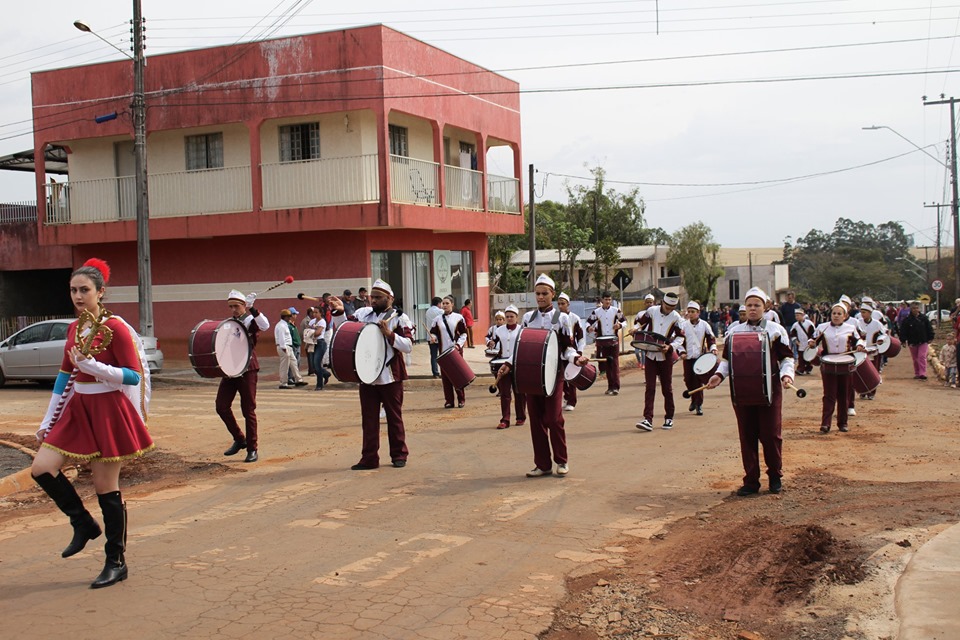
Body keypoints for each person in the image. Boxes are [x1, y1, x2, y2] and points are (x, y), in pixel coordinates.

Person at [31, 258, 154, 589]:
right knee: (42, 467)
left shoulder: (115, 328)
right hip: (77, 407)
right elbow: (63, 375)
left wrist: (95, 366)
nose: (77, 296)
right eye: (73, 290)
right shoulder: (74, 328)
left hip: (107, 410)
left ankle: (116, 560)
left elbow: (133, 375)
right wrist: (48, 419)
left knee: (105, 487)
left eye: (84, 290)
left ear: (101, 292)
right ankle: (83, 523)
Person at [705, 287, 794, 496]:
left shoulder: (775, 330)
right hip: (742, 392)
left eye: (757, 305)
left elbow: (787, 358)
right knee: (747, 436)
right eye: (749, 305)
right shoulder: (734, 331)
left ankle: (775, 476)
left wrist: (786, 375)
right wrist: (718, 376)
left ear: (766, 307)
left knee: (771, 435)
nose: (752, 309)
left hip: (769, 390)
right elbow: (727, 361)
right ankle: (751, 481)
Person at [328, 280, 414, 470]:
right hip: (366, 375)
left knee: (394, 417)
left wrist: (389, 334)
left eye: (377, 297)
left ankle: (399, 455)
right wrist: (339, 311)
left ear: (389, 298)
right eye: (372, 297)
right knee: (369, 419)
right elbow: (344, 331)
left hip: (390, 375)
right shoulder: (362, 314)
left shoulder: (399, 317)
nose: (373, 300)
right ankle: (369, 458)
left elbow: (408, 345)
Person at [519, 274, 589, 477]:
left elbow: (567, 347)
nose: (540, 297)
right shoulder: (528, 318)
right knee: (535, 420)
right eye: (537, 294)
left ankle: (561, 460)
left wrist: (576, 358)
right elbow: (520, 347)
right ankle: (542, 464)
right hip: (532, 375)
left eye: (544, 293)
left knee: (553, 418)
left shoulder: (562, 319)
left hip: (553, 373)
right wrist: (509, 364)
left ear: (552, 294)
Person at [218, 290, 272, 462]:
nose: (233, 309)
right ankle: (240, 438)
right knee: (221, 406)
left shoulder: (250, 321)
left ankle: (252, 448)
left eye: (236, 306)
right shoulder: (229, 323)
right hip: (230, 369)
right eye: (230, 306)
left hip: (248, 368)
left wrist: (253, 308)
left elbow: (265, 325)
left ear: (243, 305)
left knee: (248, 410)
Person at [630, 292, 685, 431]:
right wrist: (635, 329)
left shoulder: (677, 318)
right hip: (650, 354)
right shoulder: (652, 311)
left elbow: (680, 338)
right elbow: (640, 322)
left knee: (667, 388)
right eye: (667, 306)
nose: (670, 309)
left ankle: (669, 417)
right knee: (650, 388)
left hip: (664, 356)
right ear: (662, 303)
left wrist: (670, 346)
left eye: (672, 307)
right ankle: (647, 419)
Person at [810, 302, 865, 433]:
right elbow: (812, 340)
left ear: (845, 316)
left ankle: (843, 423)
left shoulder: (850, 328)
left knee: (844, 394)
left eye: (839, 314)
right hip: (828, 363)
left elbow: (860, 340)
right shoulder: (822, 327)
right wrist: (811, 343)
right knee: (829, 395)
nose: (836, 316)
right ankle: (825, 423)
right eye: (834, 313)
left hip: (845, 364)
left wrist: (860, 345)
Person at [488, 305, 526, 429]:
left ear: (517, 317)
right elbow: (493, 343)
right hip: (503, 364)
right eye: (507, 316)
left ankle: (520, 417)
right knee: (504, 393)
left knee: (519, 392)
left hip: (518, 364)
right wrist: (491, 345)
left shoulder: (522, 330)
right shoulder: (499, 330)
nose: (509, 319)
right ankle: (505, 419)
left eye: (512, 316)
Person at [678, 301, 717, 416]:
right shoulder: (683, 325)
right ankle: (694, 400)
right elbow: (679, 341)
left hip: (700, 358)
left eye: (693, 312)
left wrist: (713, 348)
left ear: (698, 312)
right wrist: (682, 352)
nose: (690, 314)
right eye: (689, 312)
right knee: (688, 379)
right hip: (688, 358)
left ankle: (699, 405)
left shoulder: (705, 325)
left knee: (698, 381)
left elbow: (711, 338)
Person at [431, 296, 468, 408]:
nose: (445, 305)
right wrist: (433, 338)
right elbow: (434, 333)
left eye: (447, 303)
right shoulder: (437, 319)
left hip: (455, 351)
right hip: (443, 352)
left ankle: (461, 399)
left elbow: (463, 334)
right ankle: (449, 401)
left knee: (457, 376)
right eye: (443, 303)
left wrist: (458, 345)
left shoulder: (459, 318)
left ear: (452, 304)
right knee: (446, 377)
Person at [587, 291, 626, 395]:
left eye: (609, 299)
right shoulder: (597, 312)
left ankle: (616, 387)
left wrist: (620, 325)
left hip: (613, 340)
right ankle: (610, 387)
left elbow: (624, 321)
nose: (608, 301)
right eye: (606, 299)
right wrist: (589, 328)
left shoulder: (616, 310)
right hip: (602, 341)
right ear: (602, 300)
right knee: (607, 364)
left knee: (615, 363)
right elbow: (588, 322)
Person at [557, 293, 585, 411]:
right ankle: (566, 397)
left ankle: (572, 401)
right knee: (560, 378)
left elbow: (581, 337)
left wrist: (579, 352)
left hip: (571, 352)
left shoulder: (575, 318)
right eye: (558, 304)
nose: (560, 306)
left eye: (562, 303)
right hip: (557, 352)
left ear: (568, 304)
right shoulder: (555, 316)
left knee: (571, 377)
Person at [900, 301, 935, 380]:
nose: (915, 310)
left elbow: (929, 328)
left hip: (923, 341)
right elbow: (903, 331)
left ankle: (923, 373)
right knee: (915, 359)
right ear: (910, 309)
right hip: (912, 342)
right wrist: (903, 340)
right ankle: (917, 373)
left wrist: (930, 337)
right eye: (913, 308)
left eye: (916, 308)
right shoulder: (907, 320)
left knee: (921, 357)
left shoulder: (924, 318)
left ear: (919, 309)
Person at [275, 308, 306, 389]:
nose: (290, 318)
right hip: (284, 347)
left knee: (294, 363)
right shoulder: (281, 326)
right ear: (284, 317)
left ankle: (298, 379)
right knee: (284, 366)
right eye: (288, 316)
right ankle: (283, 383)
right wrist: (284, 347)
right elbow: (282, 338)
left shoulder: (284, 324)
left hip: (288, 346)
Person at [631, 293, 656, 369]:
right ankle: (641, 363)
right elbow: (637, 324)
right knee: (638, 351)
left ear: (653, 303)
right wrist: (634, 329)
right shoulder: (640, 314)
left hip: (652, 336)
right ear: (644, 303)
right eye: (647, 302)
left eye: (650, 302)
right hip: (642, 336)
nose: (649, 304)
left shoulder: (656, 313)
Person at [790, 308, 816, 376]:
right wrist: (795, 340)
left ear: (803, 315)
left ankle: (808, 368)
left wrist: (811, 341)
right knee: (801, 357)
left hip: (808, 343)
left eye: (798, 315)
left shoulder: (809, 323)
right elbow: (792, 333)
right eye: (796, 315)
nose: (797, 317)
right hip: (800, 343)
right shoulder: (795, 325)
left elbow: (813, 333)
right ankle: (800, 369)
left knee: (808, 356)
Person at [310, 309, 331, 390]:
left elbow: (318, 333)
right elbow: (307, 331)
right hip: (312, 343)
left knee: (317, 363)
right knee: (313, 365)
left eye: (316, 312)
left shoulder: (322, 321)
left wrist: (310, 333)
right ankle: (325, 373)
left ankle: (319, 384)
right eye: (313, 312)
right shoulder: (312, 321)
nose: (314, 314)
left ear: (320, 313)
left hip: (320, 343)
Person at [424, 297, 443, 378]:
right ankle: (444, 371)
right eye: (442, 303)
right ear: (439, 303)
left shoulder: (428, 311)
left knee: (433, 355)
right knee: (443, 355)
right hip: (439, 336)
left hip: (430, 336)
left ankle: (435, 373)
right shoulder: (440, 311)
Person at [301, 307, 316, 376]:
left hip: (313, 340)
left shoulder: (313, 320)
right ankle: (311, 370)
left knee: (313, 356)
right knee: (310, 356)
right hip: (309, 341)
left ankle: (314, 369)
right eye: (313, 312)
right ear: (310, 313)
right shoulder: (306, 321)